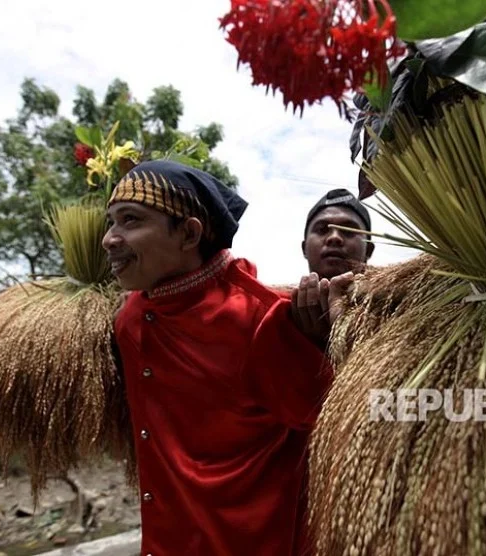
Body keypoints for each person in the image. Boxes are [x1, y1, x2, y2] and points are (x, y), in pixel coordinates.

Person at [103, 160, 346, 555]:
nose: (110, 239)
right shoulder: (130, 319)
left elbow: (327, 424)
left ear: (189, 233)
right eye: (110, 222)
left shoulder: (260, 320)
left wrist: (320, 348)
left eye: (130, 220)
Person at [302, 188, 374, 280]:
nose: (334, 237)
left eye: (348, 230)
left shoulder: (394, 294)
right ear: (304, 248)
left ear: (368, 250)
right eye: (322, 229)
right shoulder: (280, 293)